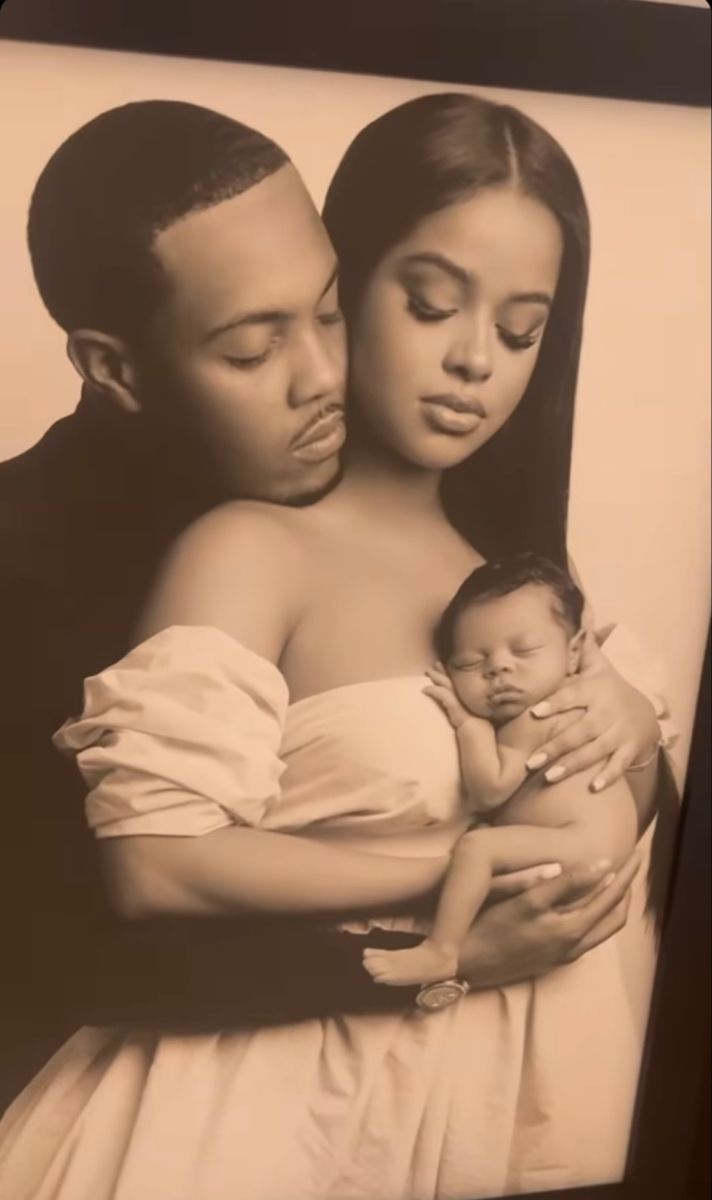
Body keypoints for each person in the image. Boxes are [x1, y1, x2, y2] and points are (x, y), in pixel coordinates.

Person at [0, 93, 670, 1199]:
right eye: (258, 344)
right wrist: (447, 916)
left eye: (519, 329)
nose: (318, 374)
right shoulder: (159, 552)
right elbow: (101, 906)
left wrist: (630, 737)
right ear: (113, 368)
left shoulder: (503, 576)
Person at [363, 554, 639, 988]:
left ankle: (441, 952)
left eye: (524, 650)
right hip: (601, 854)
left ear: (573, 652)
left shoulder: (541, 715)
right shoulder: (580, 704)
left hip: (580, 847)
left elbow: (491, 790)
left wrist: (468, 724)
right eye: (471, 664)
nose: (499, 669)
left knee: (476, 849)